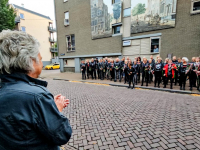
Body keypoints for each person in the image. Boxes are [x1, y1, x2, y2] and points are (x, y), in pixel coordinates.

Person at [0, 30, 72, 149]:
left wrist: (47, 107)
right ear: (30, 60)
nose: (42, 64)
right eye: (40, 58)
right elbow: (62, 135)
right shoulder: (38, 96)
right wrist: (56, 109)